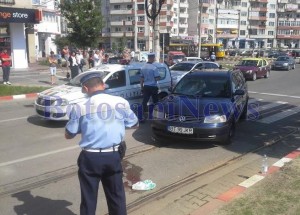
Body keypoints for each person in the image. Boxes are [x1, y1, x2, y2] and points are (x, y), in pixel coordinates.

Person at [65, 72, 138, 215]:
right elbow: (134, 124)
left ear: (86, 89)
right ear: (103, 85)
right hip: (113, 155)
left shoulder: (79, 107)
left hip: (90, 158)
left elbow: (69, 134)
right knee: (116, 196)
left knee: (88, 199)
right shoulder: (121, 102)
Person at [140, 53, 161, 122]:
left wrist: (142, 88)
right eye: (154, 58)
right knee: (155, 101)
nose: (154, 59)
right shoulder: (154, 68)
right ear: (152, 58)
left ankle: (144, 115)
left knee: (145, 101)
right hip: (153, 87)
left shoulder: (142, 67)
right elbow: (157, 79)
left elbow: (141, 79)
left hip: (146, 86)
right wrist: (158, 77)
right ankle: (156, 116)